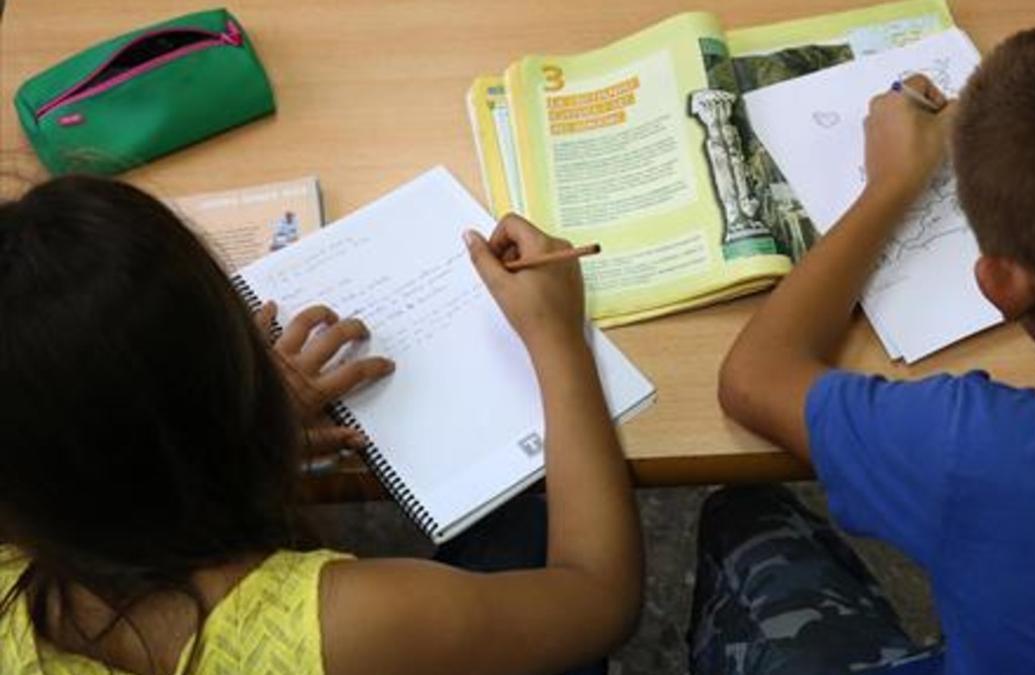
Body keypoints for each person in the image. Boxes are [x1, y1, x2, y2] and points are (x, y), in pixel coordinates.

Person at [698, 20, 1035, 674]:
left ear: (1001, 284)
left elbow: (755, 376)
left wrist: (890, 186)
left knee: (743, 515)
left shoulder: (995, 454)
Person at [0, 175, 643, 675]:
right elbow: (599, 597)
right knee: (523, 526)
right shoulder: (358, 623)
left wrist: (241, 430)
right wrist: (558, 336)